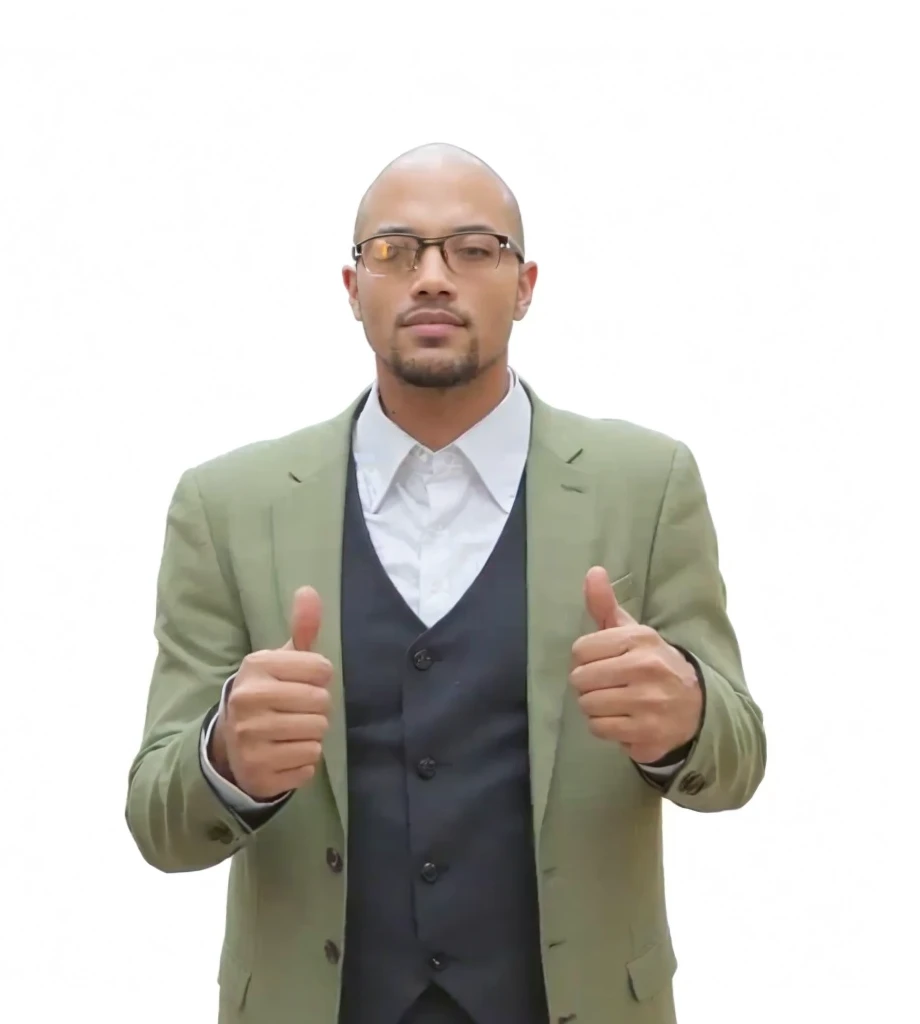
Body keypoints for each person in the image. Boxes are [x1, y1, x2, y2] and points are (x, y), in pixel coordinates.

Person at [125, 142, 766, 1024]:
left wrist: (686, 715)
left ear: (527, 284)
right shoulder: (227, 506)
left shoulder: (646, 483)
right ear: (352, 290)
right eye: (394, 251)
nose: (432, 277)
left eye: (474, 249)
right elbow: (157, 819)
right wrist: (226, 757)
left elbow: (739, 762)